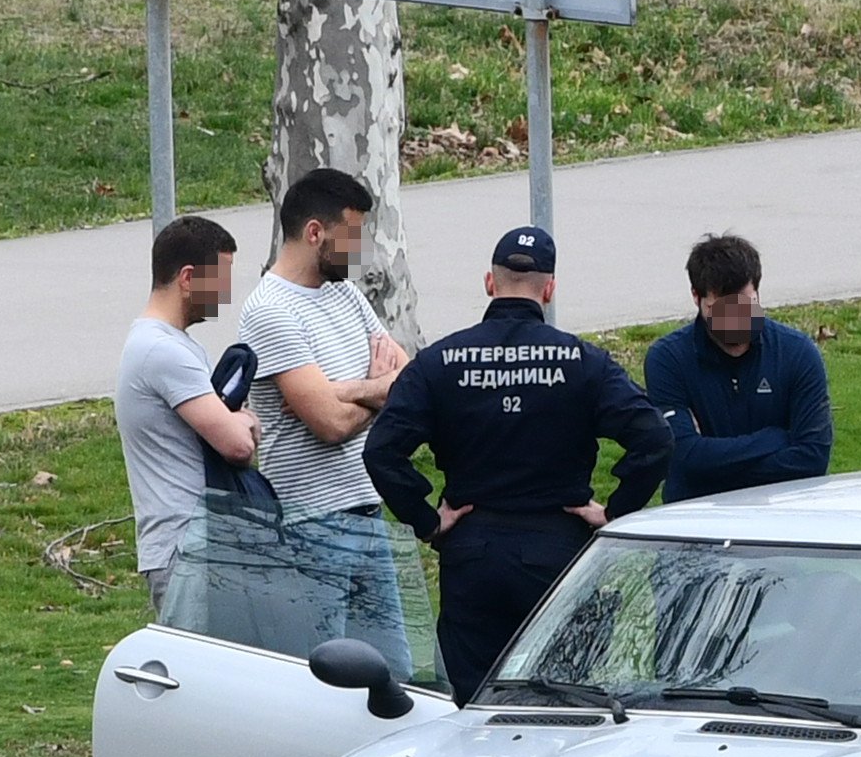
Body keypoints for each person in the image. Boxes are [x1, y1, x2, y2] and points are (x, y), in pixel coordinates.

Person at [365, 226, 674, 696]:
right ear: (549, 290)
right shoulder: (583, 362)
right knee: (564, 699)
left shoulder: (439, 363)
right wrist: (612, 512)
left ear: (490, 283)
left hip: (472, 552)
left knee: (474, 703)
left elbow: (382, 451)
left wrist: (427, 519)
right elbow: (653, 439)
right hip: (558, 551)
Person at [239, 168, 415, 673]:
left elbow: (407, 378)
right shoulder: (270, 311)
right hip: (311, 525)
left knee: (393, 674)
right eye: (352, 236)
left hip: (366, 511)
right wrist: (377, 390)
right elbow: (330, 426)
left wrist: (350, 390)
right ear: (315, 232)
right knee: (322, 676)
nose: (359, 250)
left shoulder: (345, 294)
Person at [117, 214, 258, 610]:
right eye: (221, 280)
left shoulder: (165, 345)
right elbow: (237, 447)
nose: (226, 294)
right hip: (188, 550)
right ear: (188, 278)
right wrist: (245, 421)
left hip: (197, 547)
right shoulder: (163, 352)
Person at [644, 232, 834, 501]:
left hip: (780, 515)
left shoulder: (797, 352)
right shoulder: (668, 359)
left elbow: (812, 459)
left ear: (757, 291)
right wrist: (775, 439)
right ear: (696, 297)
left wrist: (710, 465)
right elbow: (684, 457)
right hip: (697, 517)